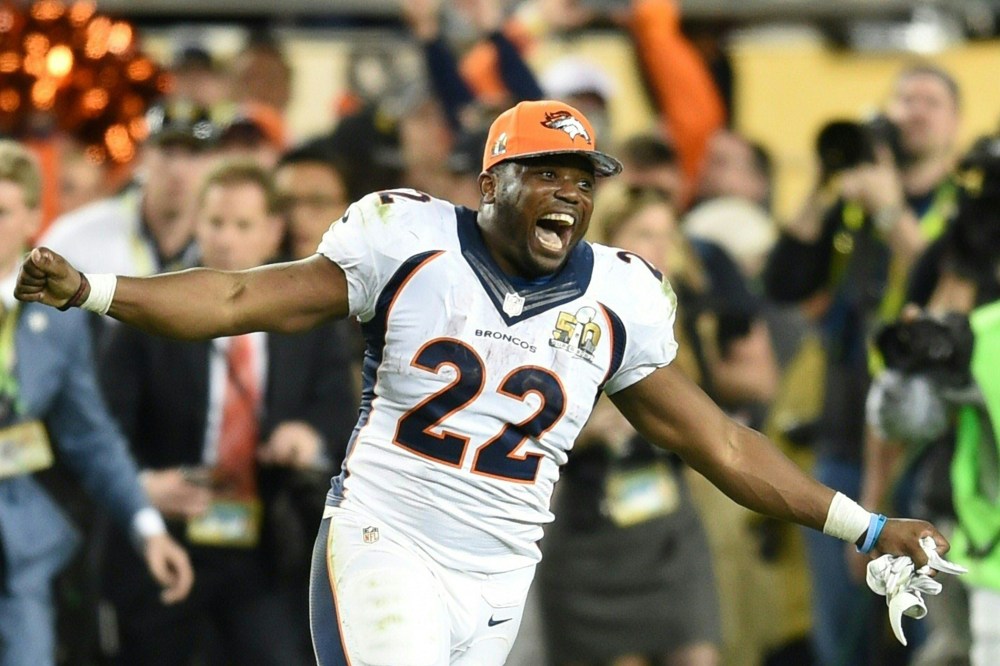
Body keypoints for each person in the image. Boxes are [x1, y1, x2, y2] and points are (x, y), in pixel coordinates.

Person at [15, 100, 953, 666]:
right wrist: (96, 289)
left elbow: (724, 443)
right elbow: (229, 296)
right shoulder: (407, 241)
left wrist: (864, 527)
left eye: (584, 179)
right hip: (387, 537)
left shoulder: (623, 295)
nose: (571, 195)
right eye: (547, 173)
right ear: (492, 179)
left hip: (501, 574)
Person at [96, 161, 356, 665]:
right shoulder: (153, 309)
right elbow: (102, 425)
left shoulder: (310, 314)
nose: (227, 241)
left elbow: (340, 413)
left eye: (243, 226)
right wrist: (144, 486)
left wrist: (309, 437)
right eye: (215, 223)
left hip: (267, 546)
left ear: (274, 231)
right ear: (197, 225)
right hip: (167, 537)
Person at [764, 63, 962, 666]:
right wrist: (824, 185)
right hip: (844, 437)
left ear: (954, 122)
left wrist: (889, 210)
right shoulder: (851, 203)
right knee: (841, 627)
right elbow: (782, 280)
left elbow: (945, 282)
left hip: (928, 446)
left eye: (929, 100)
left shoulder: (963, 203)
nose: (913, 111)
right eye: (903, 99)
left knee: (929, 630)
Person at [0, 140, 193, 665]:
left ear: (32, 220)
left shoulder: (57, 317)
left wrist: (147, 527)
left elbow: (90, 434)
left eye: (1, 212)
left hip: (22, 547)